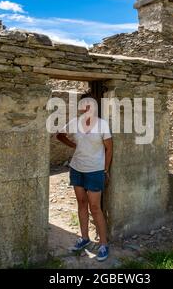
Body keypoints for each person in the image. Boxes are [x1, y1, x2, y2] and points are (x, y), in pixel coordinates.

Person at [56, 93, 113, 262]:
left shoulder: (102, 125)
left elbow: (109, 149)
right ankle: (84, 238)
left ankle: (103, 244)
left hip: (95, 170)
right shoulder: (75, 123)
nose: (87, 108)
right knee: (81, 204)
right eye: (84, 104)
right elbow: (59, 135)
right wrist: (73, 145)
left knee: (95, 207)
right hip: (77, 168)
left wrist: (105, 170)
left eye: (91, 104)